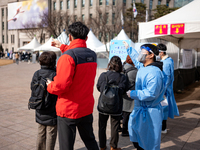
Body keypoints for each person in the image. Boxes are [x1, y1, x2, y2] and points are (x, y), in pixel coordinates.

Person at [46, 22, 99, 150]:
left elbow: (61, 86)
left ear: (70, 37)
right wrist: (62, 46)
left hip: (68, 109)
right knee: (90, 141)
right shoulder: (92, 55)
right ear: (86, 38)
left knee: (66, 146)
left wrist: (50, 85)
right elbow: (78, 53)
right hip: (85, 108)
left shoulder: (67, 57)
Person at [123, 42, 165, 150]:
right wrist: (129, 49)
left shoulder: (154, 73)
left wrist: (134, 93)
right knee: (138, 140)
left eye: (143, 52)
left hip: (150, 113)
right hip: (140, 111)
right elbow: (137, 61)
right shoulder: (144, 67)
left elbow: (151, 93)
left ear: (151, 55)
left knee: (148, 143)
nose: (140, 54)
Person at [97, 56, 127, 150]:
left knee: (102, 126)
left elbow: (99, 88)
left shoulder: (103, 75)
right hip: (116, 106)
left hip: (103, 105)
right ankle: (113, 147)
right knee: (115, 127)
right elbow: (123, 91)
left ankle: (102, 146)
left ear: (110, 64)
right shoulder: (123, 77)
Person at [30, 51, 58, 150]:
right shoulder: (55, 74)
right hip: (52, 109)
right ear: (53, 62)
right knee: (51, 132)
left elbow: (32, 88)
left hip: (39, 106)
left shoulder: (36, 74)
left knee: (41, 131)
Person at [157, 43, 179, 134]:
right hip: (168, 89)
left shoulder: (165, 63)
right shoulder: (170, 60)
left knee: (163, 109)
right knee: (164, 108)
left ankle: (163, 128)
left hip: (164, 91)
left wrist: (163, 90)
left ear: (161, 52)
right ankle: (163, 127)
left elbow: (167, 78)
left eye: (157, 52)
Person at [121, 55, 138, 137]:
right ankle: (125, 130)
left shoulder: (122, 67)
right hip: (130, 95)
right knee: (127, 113)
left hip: (122, 94)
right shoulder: (135, 71)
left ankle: (119, 128)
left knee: (122, 112)